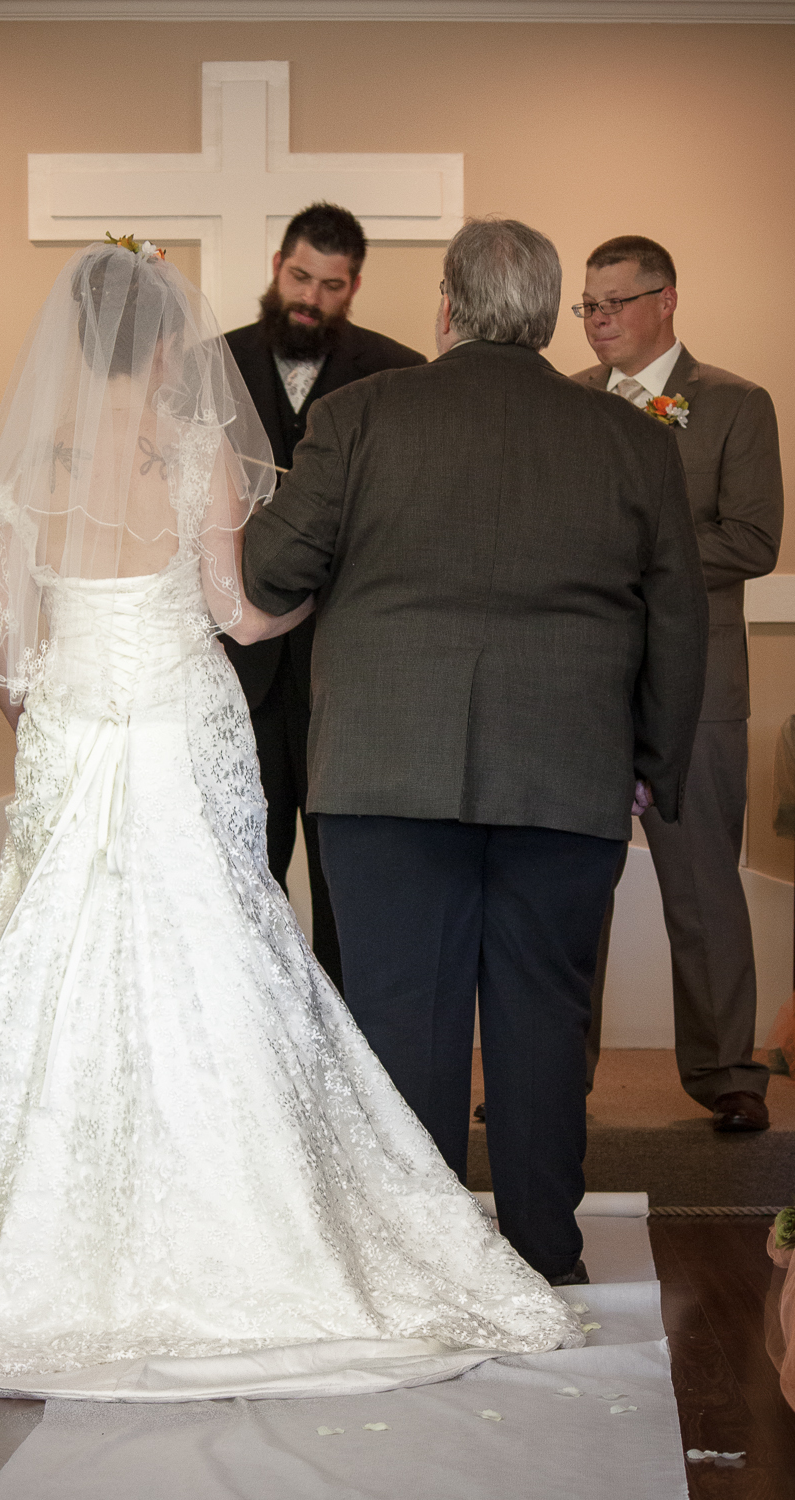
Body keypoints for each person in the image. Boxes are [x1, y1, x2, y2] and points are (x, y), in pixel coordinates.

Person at [0, 238, 581, 1401]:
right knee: (213, 945)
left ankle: (34, 1234)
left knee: (53, 954)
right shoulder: (195, 447)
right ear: (165, 341)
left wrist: (60, 722)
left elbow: (6, 656)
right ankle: (242, 1217)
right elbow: (240, 613)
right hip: (179, 717)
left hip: (74, 723)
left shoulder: (27, 465)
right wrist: (329, 594)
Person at [241, 218, 709, 1285]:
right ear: (547, 315)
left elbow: (270, 572)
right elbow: (679, 623)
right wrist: (650, 764)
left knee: (405, 1017)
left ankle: (427, 1265)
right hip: (570, 771)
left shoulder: (358, 416)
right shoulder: (632, 439)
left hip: (384, 769)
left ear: (447, 307)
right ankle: (546, 1255)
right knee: (545, 1016)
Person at [571, 235, 784, 1133]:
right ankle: (550, 1074)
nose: (598, 320)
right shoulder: (565, 402)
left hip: (699, 687)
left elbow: (754, 540)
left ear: (666, 300)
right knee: (568, 891)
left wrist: (638, 553)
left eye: (615, 302)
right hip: (581, 687)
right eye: (587, 305)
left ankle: (727, 1073)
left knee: (703, 892)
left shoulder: (735, 403)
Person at [223, 203, 426, 991]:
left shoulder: (400, 373)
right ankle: (259, 1035)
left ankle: (348, 1042)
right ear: (278, 265)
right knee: (246, 874)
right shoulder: (211, 363)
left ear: (356, 286)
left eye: (331, 286)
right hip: (239, 672)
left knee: (353, 882)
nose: (310, 298)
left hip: (353, 672)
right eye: (300, 277)